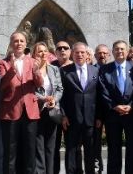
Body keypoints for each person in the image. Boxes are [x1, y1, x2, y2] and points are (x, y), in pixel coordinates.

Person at [0, 31, 43, 174]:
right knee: (10, 152)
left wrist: (36, 72)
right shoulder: (3, 63)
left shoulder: (33, 62)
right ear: (11, 44)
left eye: (21, 41)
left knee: (29, 150)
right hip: (11, 111)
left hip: (30, 111)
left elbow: (39, 84)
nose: (18, 43)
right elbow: (3, 85)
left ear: (25, 44)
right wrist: (12, 70)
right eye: (15, 41)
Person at [99, 40, 133, 174]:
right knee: (114, 149)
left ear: (127, 51)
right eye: (117, 49)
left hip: (132, 114)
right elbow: (102, 91)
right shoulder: (105, 69)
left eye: (122, 49)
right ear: (112, 52)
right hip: (112, 115)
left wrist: (131, 106)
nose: (120, 51)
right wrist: (114, 106)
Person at [61, 42, 99, 174]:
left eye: (82, 52)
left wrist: (99, 117)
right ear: (72, 54)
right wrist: (63, 115)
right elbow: (61, 95)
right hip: (71, 118)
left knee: (90, 150)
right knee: (72, 150)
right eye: (77, 52)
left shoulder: (95, 70)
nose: (80, 55)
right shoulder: (64, 71)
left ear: (87, 54)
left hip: (90, 118)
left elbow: (99, 96)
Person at [33, 42, 64, 174]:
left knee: (51, 147)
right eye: (39, 51)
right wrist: (43, 99)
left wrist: (54, 100)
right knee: (38, 146)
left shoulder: (54, 69)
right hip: (36, 111)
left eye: (45, 51)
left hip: (51, 111)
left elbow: (59, 88)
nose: (43, 53)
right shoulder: (31, 69)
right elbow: (30, 90)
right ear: (34, 54)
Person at [51, 40, 73, 174]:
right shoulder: (50, 67)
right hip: (54, 113)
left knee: (72, 147)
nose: (62, 50)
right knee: (53, 146)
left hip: (71, 114)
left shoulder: (75, 67)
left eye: (66, 48)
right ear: (55, 52)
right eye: (59, 48)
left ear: (70, 51)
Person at [92, 44, 110, 174]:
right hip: (96, 114)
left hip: (112, 112)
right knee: (95, 145)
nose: (102, 55)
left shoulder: (113, 69)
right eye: (99, 53)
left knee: (113, 144)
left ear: (108, 55)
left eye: (104, 53)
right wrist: (98, 116)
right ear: (95, 55)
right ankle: (98, 169)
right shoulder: (91, 70)